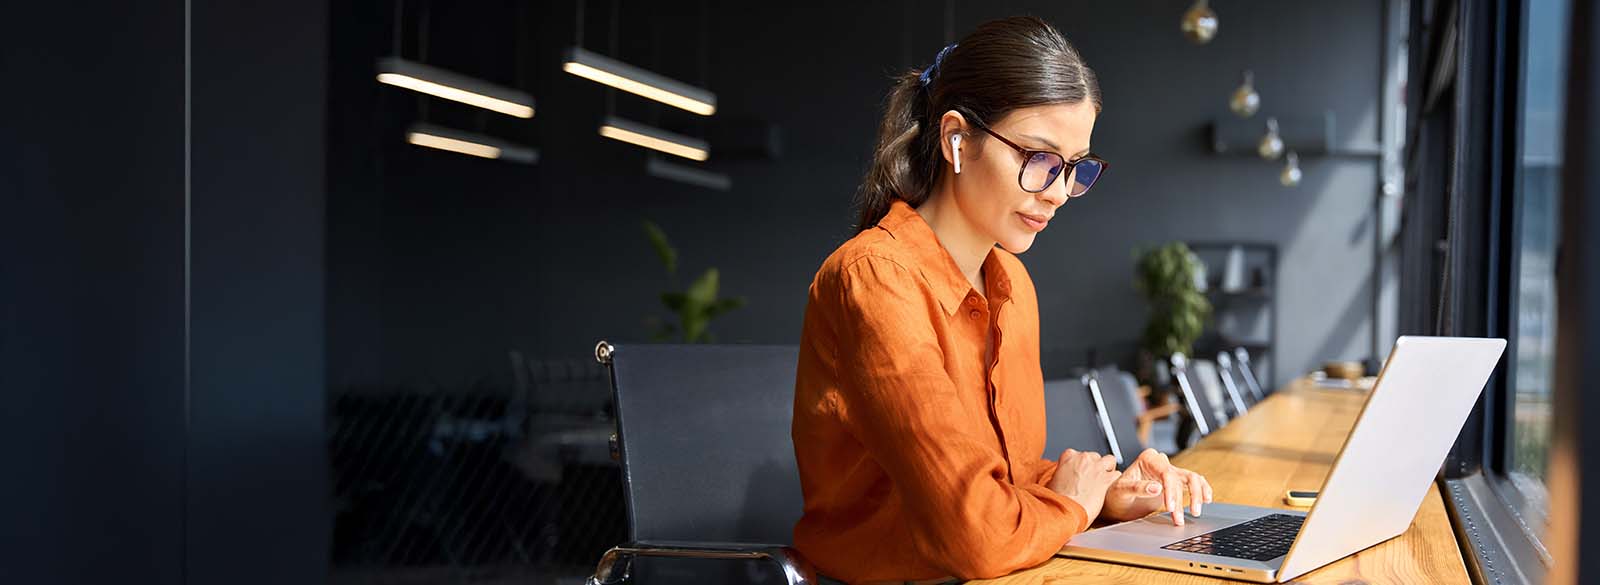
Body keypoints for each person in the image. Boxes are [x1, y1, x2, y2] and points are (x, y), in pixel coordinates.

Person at [791, 16, 1214, 584]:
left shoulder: (1011, 283)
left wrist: (1108, 495)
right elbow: (976, 535)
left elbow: (999, 481)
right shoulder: (874, 278)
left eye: (1074, 167)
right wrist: (1074, 507)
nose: (1061, 192)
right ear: (955, 139)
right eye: (1038, 159)